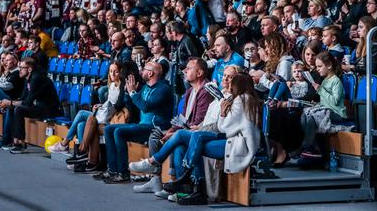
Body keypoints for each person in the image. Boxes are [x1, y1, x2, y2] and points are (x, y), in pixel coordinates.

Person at [162, 73, 261, 205]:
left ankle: (194, 184)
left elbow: (224, 127)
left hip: (240, 144)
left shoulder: (241, 100)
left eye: (232, 83)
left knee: (198, 145)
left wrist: (222, 112)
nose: (230, 86)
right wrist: (224, 112)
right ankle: (193, 184)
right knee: (196, 140)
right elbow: (224, 127)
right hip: (235, 140)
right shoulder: (248, 99)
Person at [132, 57, 213, 194]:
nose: (185, 71)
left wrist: (174, 133)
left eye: (189, 68)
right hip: (188, 130)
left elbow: (197, 122)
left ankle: (152, 163)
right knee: (160, 136)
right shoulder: (189, 92)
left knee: (178, 138)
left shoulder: (205, 92)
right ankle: (175, 187)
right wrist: (172, 129)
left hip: (201, 132)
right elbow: (183, 119)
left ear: (199, 73)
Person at [93, 60, 173, 183]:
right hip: (142, 125)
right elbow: (136, 103)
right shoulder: (146, 87)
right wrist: (129, 93)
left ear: (151, 73)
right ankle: (112, 170)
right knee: (109, 129)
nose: (141, 71)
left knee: (119, 132)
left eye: (144, 69)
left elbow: (146, 106)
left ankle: (123, 173)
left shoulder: (163, 88)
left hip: (155, 127)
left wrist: (132, 93)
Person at [0, 57, 60, 153]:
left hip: (50, 109)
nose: (19, 70)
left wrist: (9, 102)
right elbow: (23, 98)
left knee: (19, 109)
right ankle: (11, 140)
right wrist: (5, 103)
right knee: (12, 108)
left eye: (21, 68)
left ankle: (19, 144)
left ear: (29, 69)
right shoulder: (27, 77)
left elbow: (28, 102)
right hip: (39, 106)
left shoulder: (37, 78)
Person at [295, 52, 347, 158]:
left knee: (311, 118)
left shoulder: (336, 81)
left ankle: (307, 146)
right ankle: (312, 146)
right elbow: (325, 102)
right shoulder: (324, 81)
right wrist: (317, 103)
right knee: (306, 114)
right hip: (327, 110)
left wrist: (320, 90)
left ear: (329, 65)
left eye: (320, 66)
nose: (317, 69)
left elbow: (335, 102)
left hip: (337, 112)